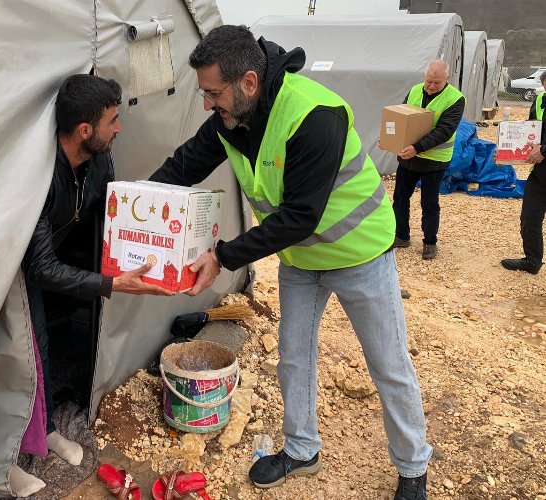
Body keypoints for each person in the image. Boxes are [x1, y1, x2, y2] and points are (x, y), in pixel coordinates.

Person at [149, 25, 432, 500]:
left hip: (360, 253)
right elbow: (182, 168)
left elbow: (301, 215)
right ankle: (302, 450)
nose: (207, 104)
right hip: (301, 260)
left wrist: (223, 257)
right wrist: (134, 210)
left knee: (387, 362)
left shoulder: (313, 114)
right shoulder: (230, 120)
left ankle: (413, 465)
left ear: (249, 83)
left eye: (213, 93)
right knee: (294, 359)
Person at [22, 74, 172, 466]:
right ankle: (42, 431)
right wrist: (110, 282)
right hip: (21, 272)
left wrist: (161, 250)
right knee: (33, 347)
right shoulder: (39, 174)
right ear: (85, 129)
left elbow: (113, 218)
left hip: (60, 253)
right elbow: (39, 268)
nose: (120, 127)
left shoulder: (98, 159)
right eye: (113, 120)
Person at [386, 60, 465, 260]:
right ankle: (401, 235)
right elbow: (401, 117)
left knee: (429, 203)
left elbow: (444, 131)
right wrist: (390, 139)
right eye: (428, 81)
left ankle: (430, 242)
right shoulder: (414, 90)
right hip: (408, 159)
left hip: (434, 160)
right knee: (400, 198)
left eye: (436, 83)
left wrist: (417, 148)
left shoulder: (455, 99)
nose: (430, 86)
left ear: (447, 79)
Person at [501, 71, 546, 275]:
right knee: (530, 217)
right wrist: (506, 152)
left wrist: (544, 150)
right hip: (540, 172)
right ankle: (532, 260)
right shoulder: (540, 100)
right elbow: (530, 130)